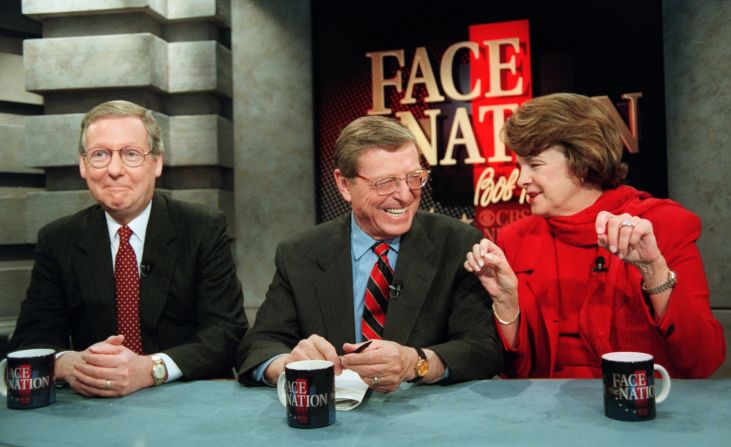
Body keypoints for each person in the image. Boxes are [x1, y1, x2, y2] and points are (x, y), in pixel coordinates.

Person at [464, 92, 725, 378]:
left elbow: (703, 362)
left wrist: (654, 272)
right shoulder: (513, 240)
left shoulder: (662, 225)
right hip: (542, 413)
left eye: (534, 165)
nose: (521, 179)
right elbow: (512, 374)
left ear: (582, 163)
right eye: (519, 166)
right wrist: (505, 304)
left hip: (638, 408)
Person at [236, 116, 502, 392]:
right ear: (344, 184)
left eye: (414, 178)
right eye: (385, 183)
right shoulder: (301, 253)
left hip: (425, 418)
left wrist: (417, 362)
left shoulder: (457, 244)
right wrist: (289, 364)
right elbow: (257, 345)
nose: (405, 195)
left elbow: (482, 349)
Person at [11, 100, 248, 397]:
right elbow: (30, 339)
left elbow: (227, 333)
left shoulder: (202, 228)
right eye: (100, 154)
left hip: (188, 403)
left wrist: (150, 369)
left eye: (131, 154)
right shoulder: (58, 239)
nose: (114, 169)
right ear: (83, 165)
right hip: (93, 411)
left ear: (157, 162)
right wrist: (72, 364)